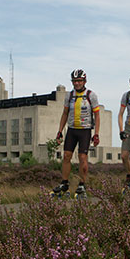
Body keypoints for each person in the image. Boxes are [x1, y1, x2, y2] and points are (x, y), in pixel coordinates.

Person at [50, 69, 101, 198]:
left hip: (85, 130)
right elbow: (65, 113)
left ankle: (82, 184)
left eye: (79, 81)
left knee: (82, 157)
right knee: (66, 156)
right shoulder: (69, 96)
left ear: (84, 81)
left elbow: (97, 115)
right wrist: (60, 131)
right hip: (72, 130)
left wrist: (97, 134)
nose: (77, 83)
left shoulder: (91, 95)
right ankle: (64, 183)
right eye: (74, 81)